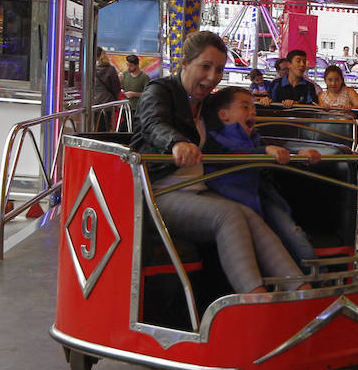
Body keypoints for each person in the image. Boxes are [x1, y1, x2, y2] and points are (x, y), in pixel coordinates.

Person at [130, 31, 306, 294]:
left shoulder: (207, 104)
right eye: (205, 67)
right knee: (230, 215)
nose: (212, 77)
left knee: (250, 216)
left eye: (219, 70)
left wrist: (288, 149)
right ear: (185, 63)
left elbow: (239, 133)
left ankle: (301, 290)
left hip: (198, 190)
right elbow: (153, 122)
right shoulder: (160, 91)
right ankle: (254, 299)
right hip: (159, 191)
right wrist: (176, 143)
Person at [201, 86, 321, 270]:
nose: (252, 112)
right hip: (233, 201)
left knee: (293, 233)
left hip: (263, 198)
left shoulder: (254, 137)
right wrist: (264, 151)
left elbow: (277, 154)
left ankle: (318, 276)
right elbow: (233, 157)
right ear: (224, 115)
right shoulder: (213, 139)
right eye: (245, 107)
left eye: (253, 108)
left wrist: (300, 156)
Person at [94, 46, 121, 132]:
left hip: (95, 103)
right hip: (108, 103)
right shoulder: (110, 69)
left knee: (96, 126)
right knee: (106, 126)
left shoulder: (90, 69)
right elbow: (116, 86)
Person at [120, 54, 148, 121]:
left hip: (138, 109)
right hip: (126, 108)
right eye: (127, 65)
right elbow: (121, 89)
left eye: (131, 66)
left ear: (137, 65)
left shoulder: (144, 77)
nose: (128, 68)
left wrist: (134, 94)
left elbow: (148, 94)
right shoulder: (125, 74)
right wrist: (119, 81)